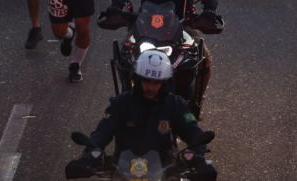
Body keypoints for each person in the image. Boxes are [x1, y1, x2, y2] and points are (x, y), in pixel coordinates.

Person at [77, 50, 216, 178]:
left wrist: (198, 156)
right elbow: (102, 131)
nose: (150, 87)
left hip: (167, 171)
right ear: (137, 80)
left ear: (165, 83)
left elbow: (193, 131)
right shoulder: (121, 103)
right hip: (122, 170)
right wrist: (89, 155)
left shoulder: (176, 105)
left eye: (156, 83)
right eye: (146, 81)